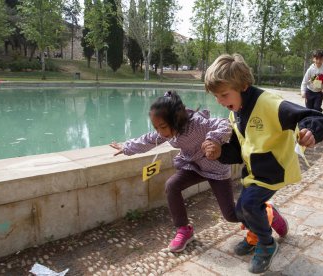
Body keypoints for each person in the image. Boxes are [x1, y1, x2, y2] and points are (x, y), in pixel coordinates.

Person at [109, 91, 288, 253]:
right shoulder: (167, 132)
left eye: (162, 127)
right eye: (156, 127)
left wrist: (213, 139)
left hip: (216, 169)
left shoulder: (197, 124)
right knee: (172, 185)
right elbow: (149, 139)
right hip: (193, 166)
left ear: (176, 120)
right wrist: (126, 147)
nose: (159, 132)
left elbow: (225, 124)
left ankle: (267, 212)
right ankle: (184, 230)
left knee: (232, 215)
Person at [203, 54, 323, 274]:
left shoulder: (270, 104)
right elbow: (238, 149)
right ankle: (264, 223)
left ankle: (267, 245)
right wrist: (220, 152)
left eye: (223, 94)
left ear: (243, 85)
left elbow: (313, 116)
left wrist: (311, 130)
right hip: (253, 172)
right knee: (241, 211)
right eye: (216, 96)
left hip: (274, 171)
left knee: (250, 206)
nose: (220, 101)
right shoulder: (236, 112)